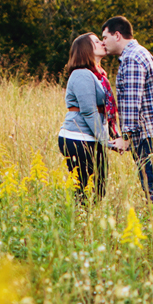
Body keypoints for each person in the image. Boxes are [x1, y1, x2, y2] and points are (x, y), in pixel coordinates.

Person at [102, 16, 153, 214]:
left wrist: (126, 138)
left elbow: (132, 103)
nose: (103, 43)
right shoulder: (133, 55)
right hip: (149, 134)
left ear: (117, 35)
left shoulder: (133, 58)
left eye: (105, 37)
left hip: (148, 135)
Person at [58, 33, 114, 202]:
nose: (102, 43)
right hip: (77, 138)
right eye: (96, 41)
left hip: (91, 138)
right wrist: (106, 141)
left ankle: (91, 223)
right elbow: (89, 111)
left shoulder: (98, 75)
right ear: (85, 49)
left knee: (99, 186)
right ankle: (80, 223)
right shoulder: (81, 74)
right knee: (83, 188)